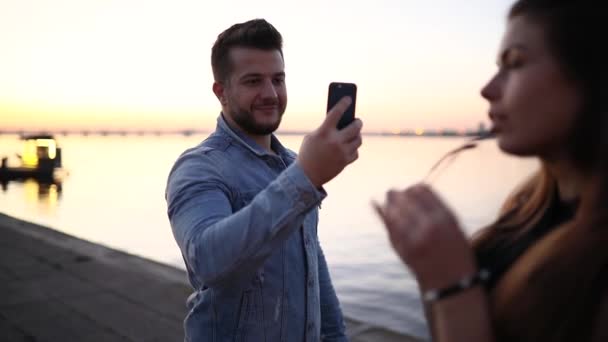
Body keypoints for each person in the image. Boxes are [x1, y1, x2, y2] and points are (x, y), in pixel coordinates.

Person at [374, 1, 608, 341]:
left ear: (593, 76)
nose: (488, 89)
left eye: (515, 63)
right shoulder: (526, 207)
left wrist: (453, 285)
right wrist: (433, 272)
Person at [165, 19, 362, 342]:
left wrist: (335, 336)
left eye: (278, 79)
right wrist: (307, 176)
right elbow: (206, 259)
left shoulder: (293, 165)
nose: (270, 94)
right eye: (254, 81)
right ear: (221, 92)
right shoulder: (199, 167)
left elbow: (312, 265)